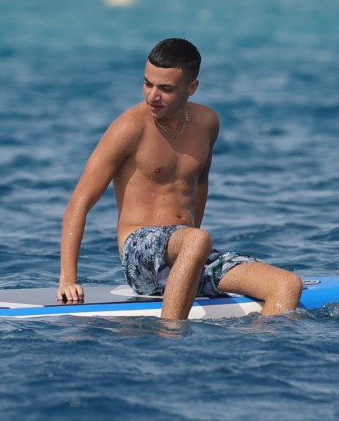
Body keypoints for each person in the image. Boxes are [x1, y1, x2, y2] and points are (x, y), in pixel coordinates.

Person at [57, 38, 302, 319]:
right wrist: (67, 279)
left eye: (166, 88)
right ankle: (170, 340)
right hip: (141, 255)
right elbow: (79, 202)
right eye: (148, 84)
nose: (152, 96)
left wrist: (191, 254)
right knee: (197, 240)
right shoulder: (129, 127)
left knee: (286, 285)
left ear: (192, 88)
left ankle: (256, 361)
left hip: (189, 252)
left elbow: (199, 183)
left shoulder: (207, 122)